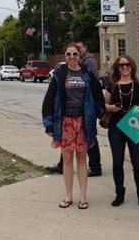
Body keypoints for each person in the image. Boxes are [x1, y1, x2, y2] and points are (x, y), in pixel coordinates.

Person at [42, 43, 105, 209]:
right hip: (65, 122)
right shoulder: (59, 74)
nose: (71, 57)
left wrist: (100, 113)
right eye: (68, 54)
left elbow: (98, 94)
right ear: (65, 56)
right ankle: (68, 195)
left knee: (82, 158)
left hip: (83, 122)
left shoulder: (87, 73)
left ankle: (83, 197)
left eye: (75, 54)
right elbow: (49, 99)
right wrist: (49, 124)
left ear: (79, 55)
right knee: (67, 159)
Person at [104, 55, 139, 210]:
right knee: (117, 162)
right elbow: (104, 104)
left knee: (138, 162)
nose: (124, 67)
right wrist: (110, 108)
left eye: (127, 65)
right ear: (117, 68)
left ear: (132, 66)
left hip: (135, 124)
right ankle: (119, 194)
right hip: (116, 126)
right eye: (121, 65)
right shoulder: (111, 85)